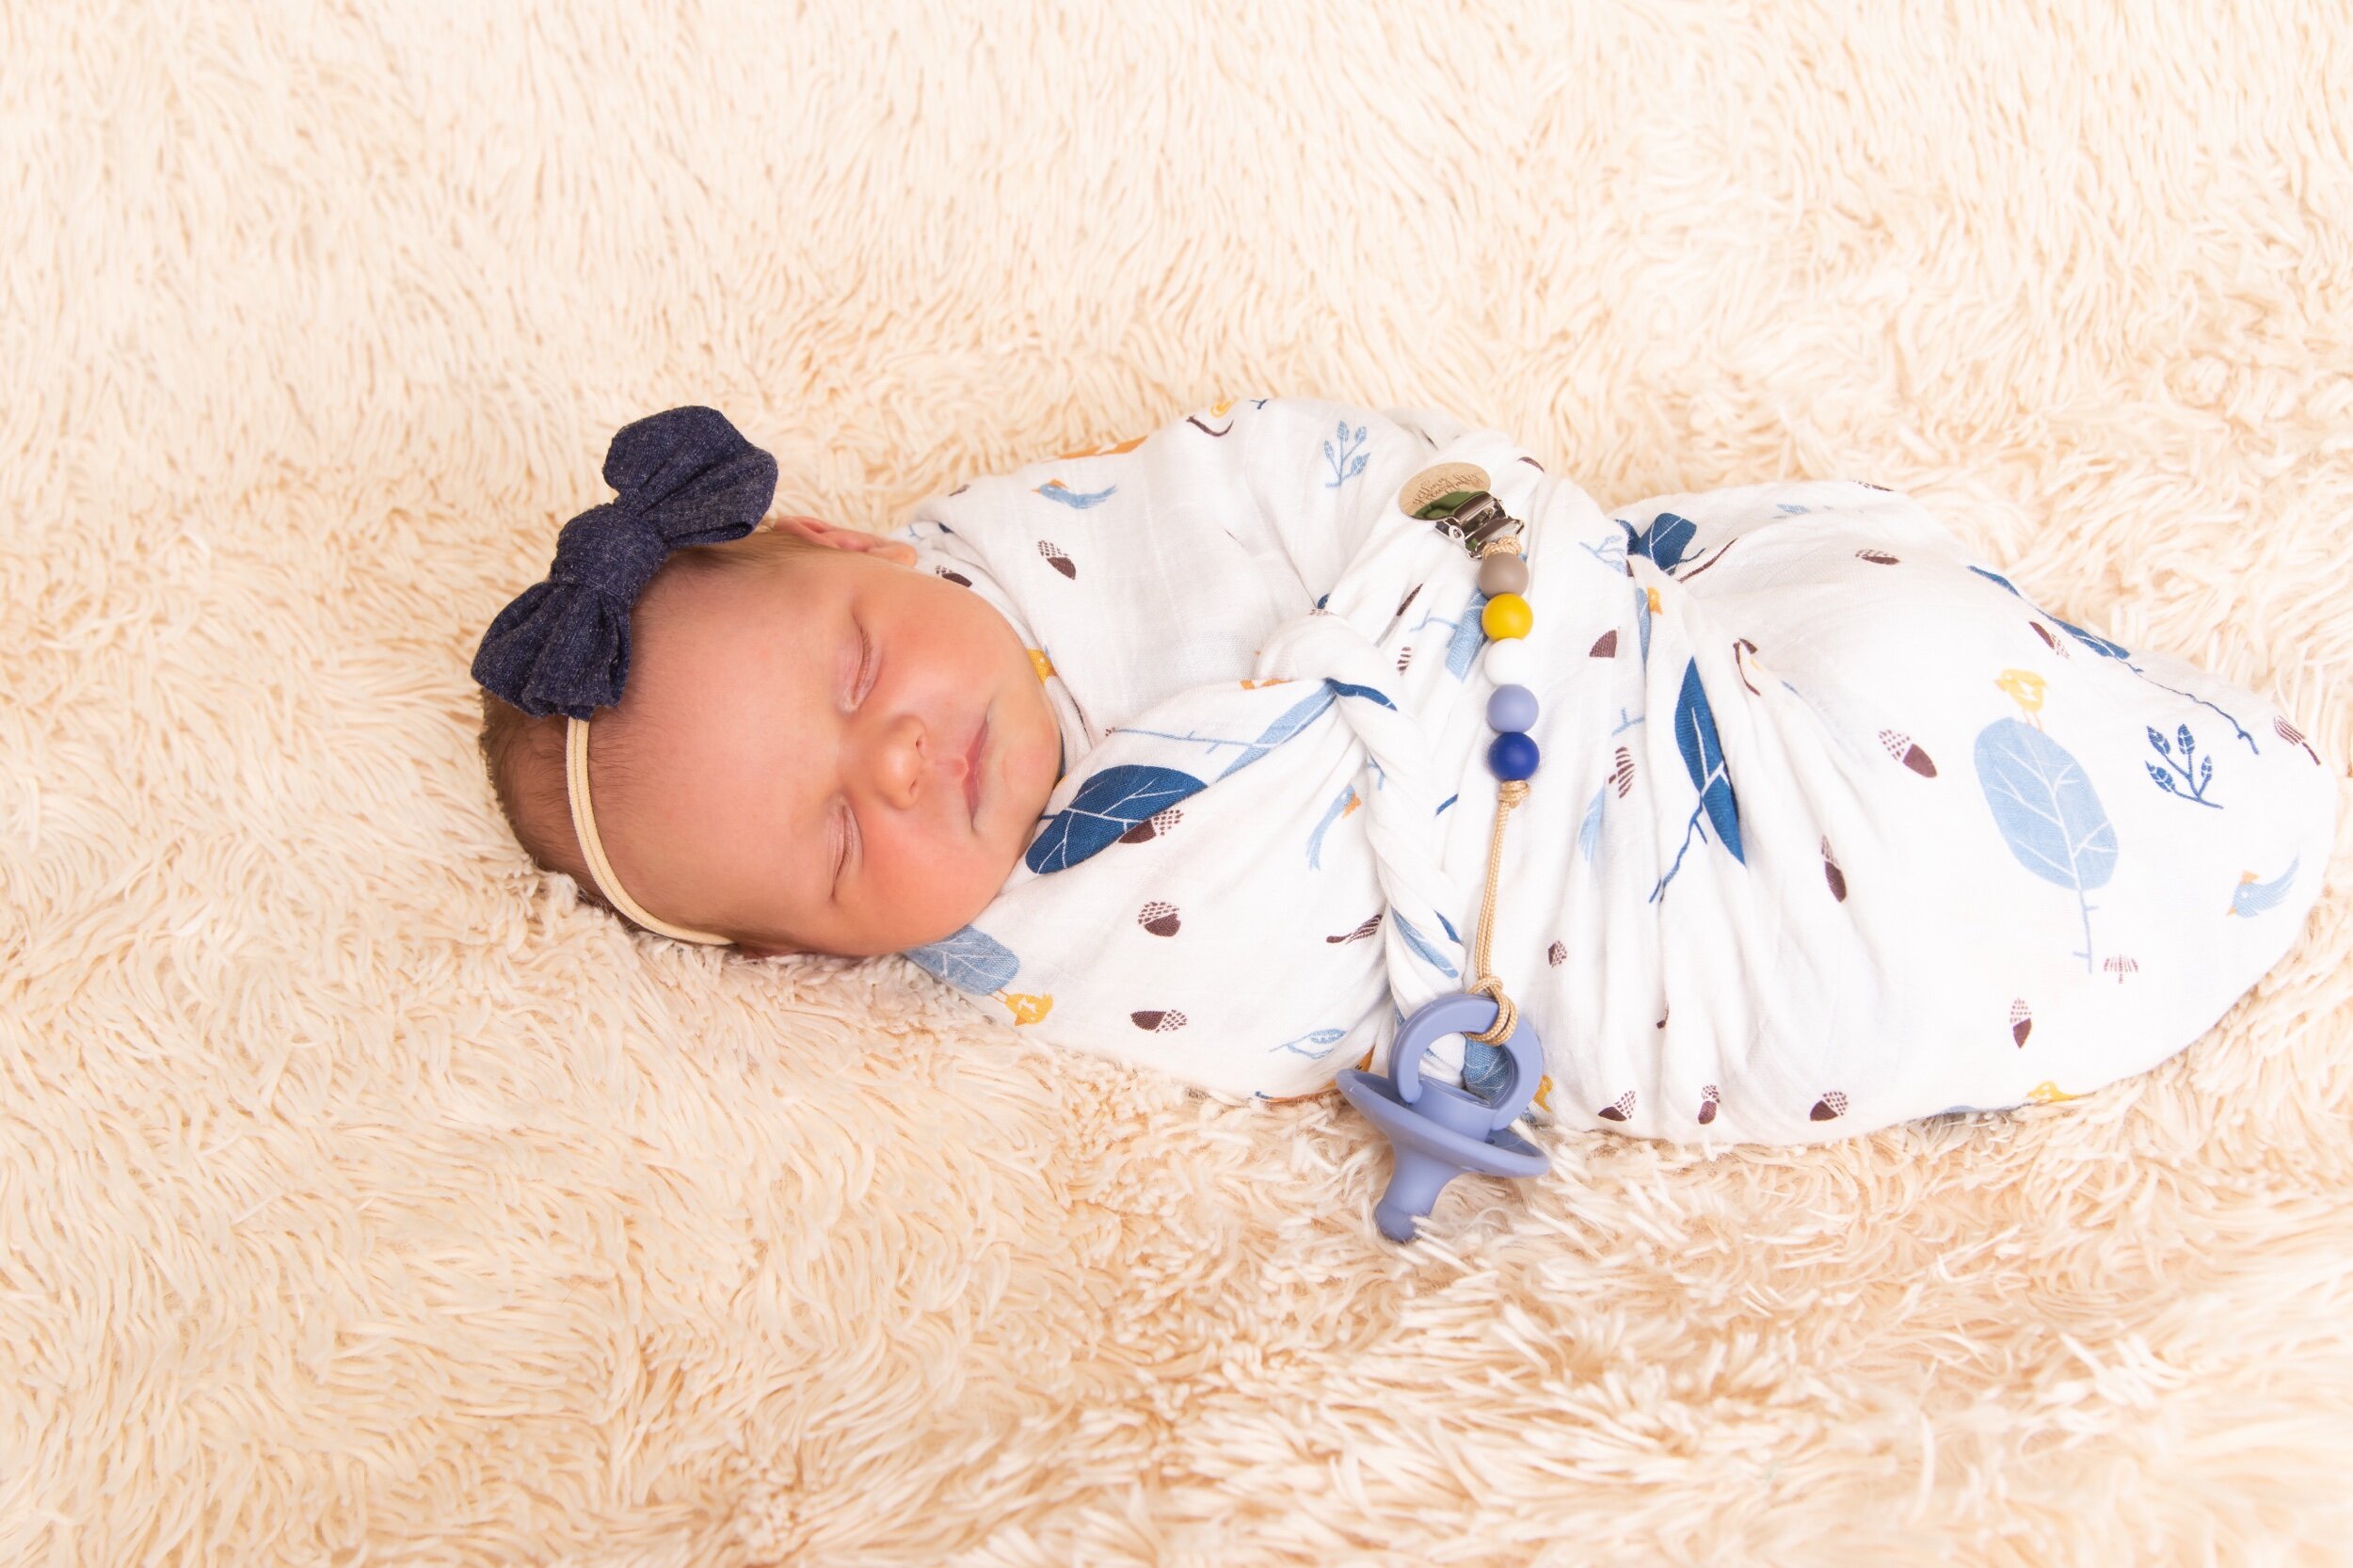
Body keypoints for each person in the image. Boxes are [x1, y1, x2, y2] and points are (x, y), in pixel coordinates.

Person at [472, 400, 2334, 1143]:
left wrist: (1438, 625)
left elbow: (1368, 482)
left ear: (855, 544)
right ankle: (2106, 883)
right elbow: (1306, 998)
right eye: (829, 838)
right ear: (812, 956)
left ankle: (2133, 779)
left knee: (1884, 670)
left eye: (856, 672)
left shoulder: (1081, 530)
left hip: (1618, 684)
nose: (892, 759)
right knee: (1847, 972)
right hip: (1600, 914)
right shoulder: (1047, 941)